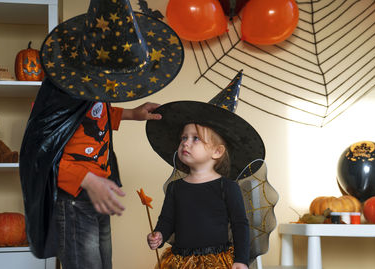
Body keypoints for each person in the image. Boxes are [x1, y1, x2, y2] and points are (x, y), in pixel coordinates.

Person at [19, 0, 184, 268]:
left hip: (98, 191)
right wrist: (86, 180)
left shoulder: (92, 87)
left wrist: (132, 113)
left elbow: (95, 116)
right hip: (73, 198)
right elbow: (40, 155)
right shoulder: (60, 91)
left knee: (103, 263)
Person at [145, 71, 266, 269]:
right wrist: (159, 234)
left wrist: (241, 260)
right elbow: (167, 219)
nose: (186, 143)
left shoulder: (227, 187)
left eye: (196, 138)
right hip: (180, 261)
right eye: (184, 138)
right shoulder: (176, 188)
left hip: (215, 262)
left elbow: (240, 225)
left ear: (217, 151)